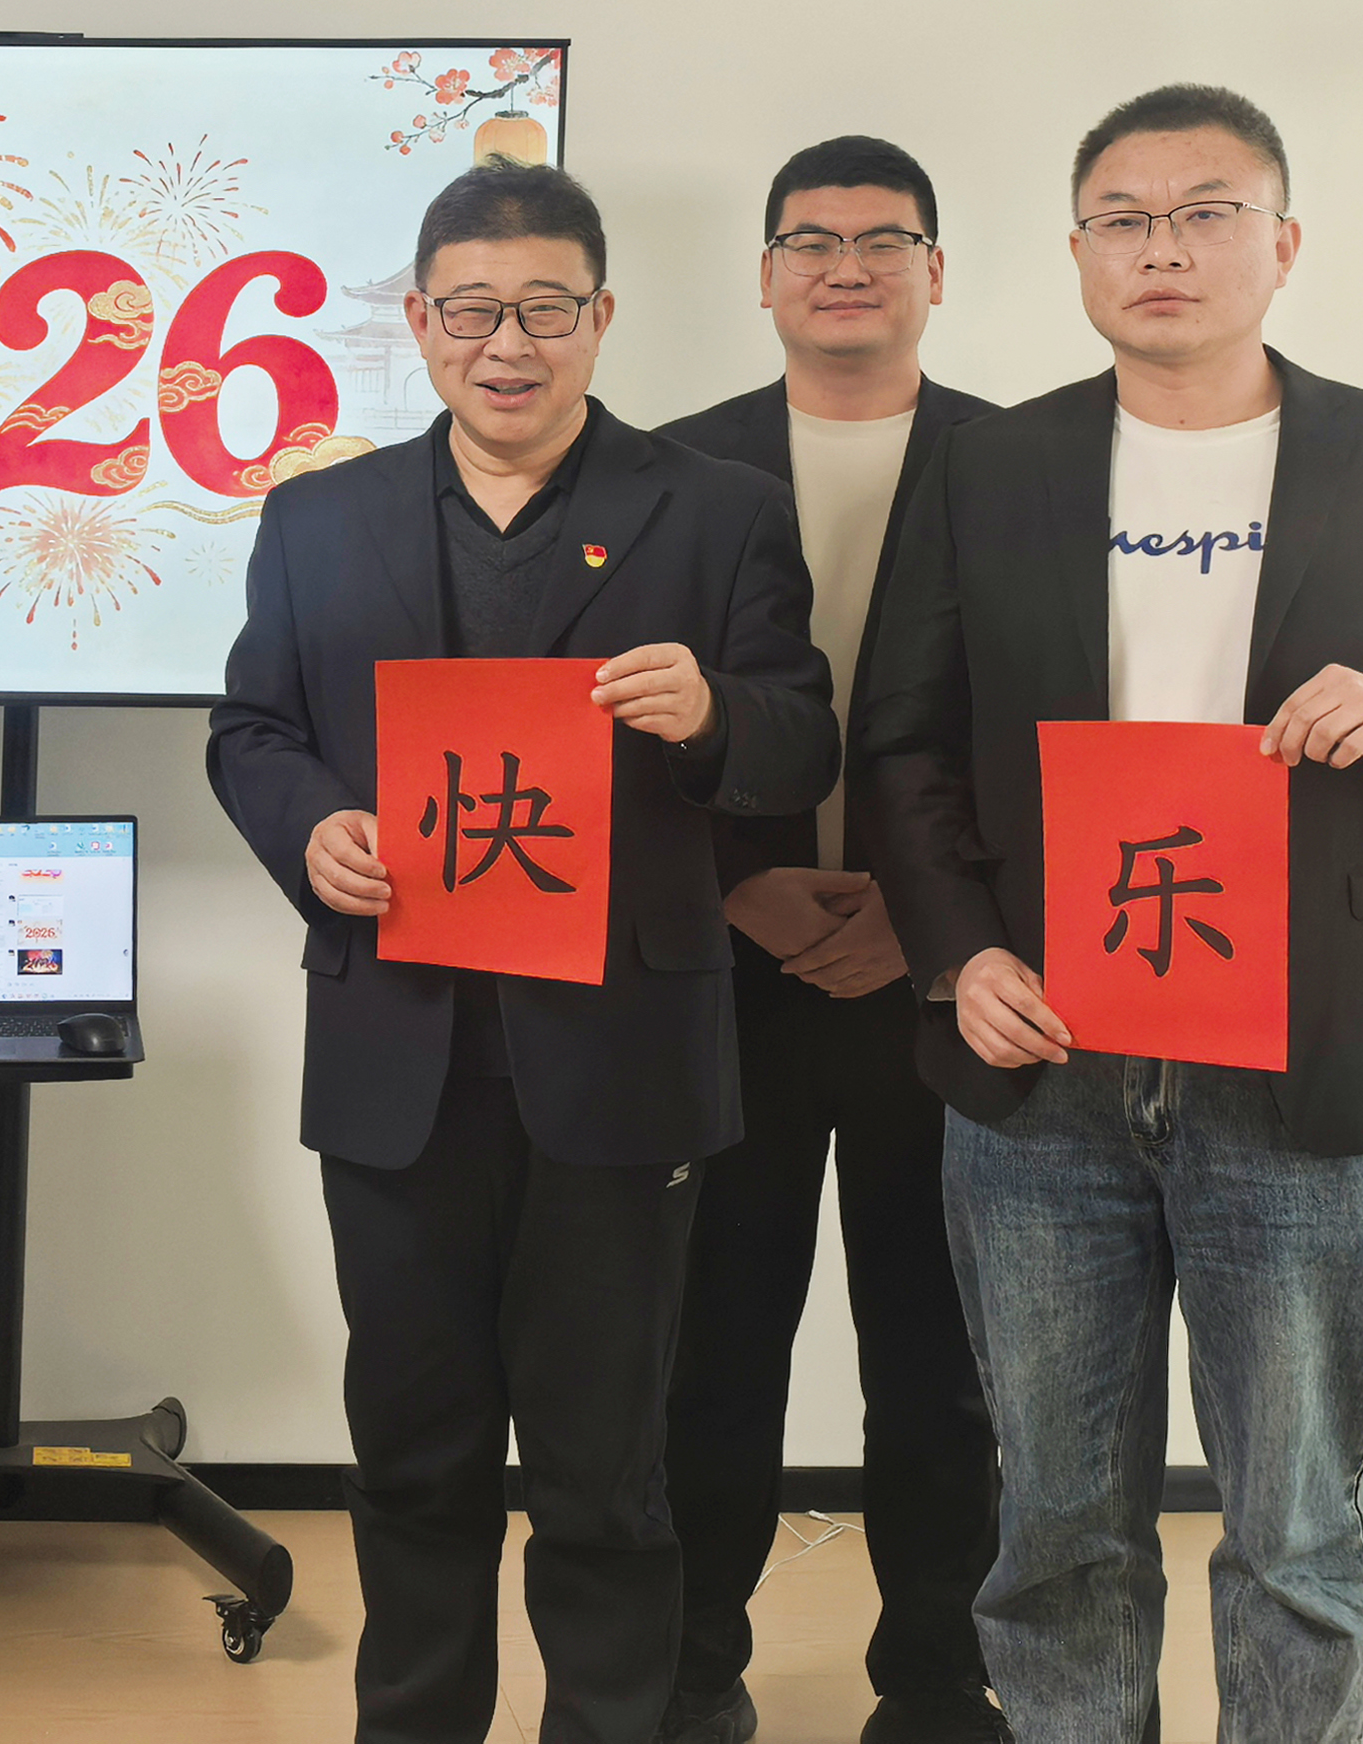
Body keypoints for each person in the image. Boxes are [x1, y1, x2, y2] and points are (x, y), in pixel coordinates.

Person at [854, 84, 1363, 1744]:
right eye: (1122, 218)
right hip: (1045, 1056)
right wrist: (958, 954)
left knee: (1300, 1526)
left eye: (1203, 213)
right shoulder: (989, 462)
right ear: (1077, 253)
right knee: (1052, 1522)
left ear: (1283, 243)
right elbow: (900, 742)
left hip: (1302, 1055)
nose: (1160, 248)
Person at [206, 161, 842, 1744]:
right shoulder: (319, 516)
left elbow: (800, 740)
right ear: (420, 321)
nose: (508, 344)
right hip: (398, 1056)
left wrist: (712, 716)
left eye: (545, 310)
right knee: (410, 1454)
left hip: (619, 1064)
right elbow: (253, 731)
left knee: (603, 1467)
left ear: (600, 318)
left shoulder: (716, 511)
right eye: (473, 310)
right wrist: (311, 832)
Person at [654, 136, 1003, 1744]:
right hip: (726, 975)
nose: (845, 267)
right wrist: (740, 885)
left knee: (939, 1364)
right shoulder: (670, 468)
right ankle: (686, 1673)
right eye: (810, 240)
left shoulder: (1022, 465)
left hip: (944, 982)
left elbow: (1056, 718)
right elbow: (618, 722)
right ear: (766, 274)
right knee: (708, 1348)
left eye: (882, 240)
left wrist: (926, 918)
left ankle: (933, 1681)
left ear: (935, 271)